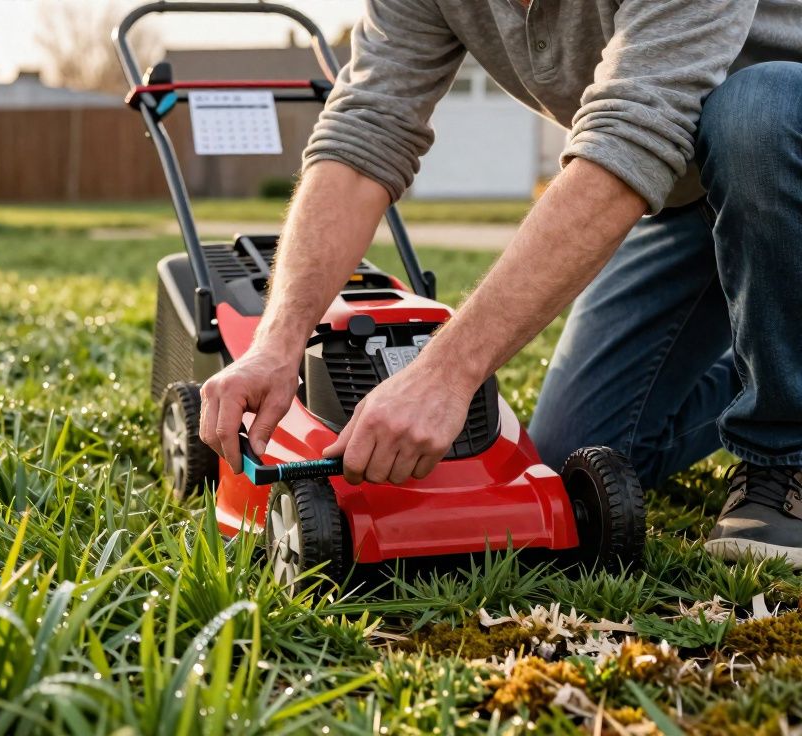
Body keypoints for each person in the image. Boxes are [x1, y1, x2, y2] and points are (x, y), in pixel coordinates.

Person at [199, 0, 802, 567]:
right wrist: (276, 343)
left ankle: (786, 457)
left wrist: (445, 372)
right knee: (575, 449)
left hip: (780, 148)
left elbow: (632, 132)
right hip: (683, 193)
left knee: (757, 109)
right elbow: (364, 132)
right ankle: (780, 360)